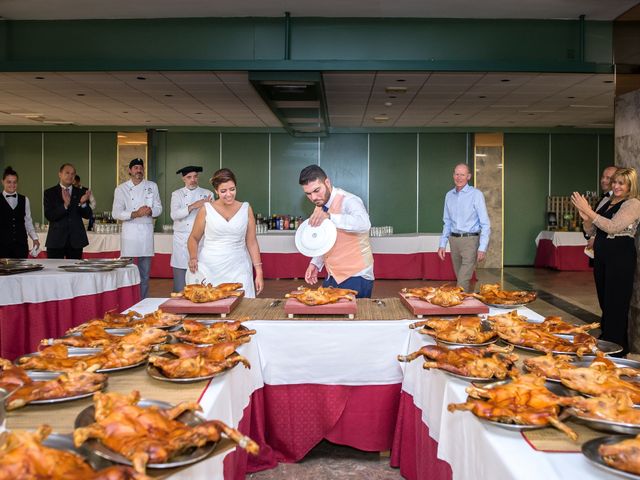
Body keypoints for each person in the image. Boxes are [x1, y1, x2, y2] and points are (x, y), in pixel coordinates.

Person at [571, 167, 640, 355]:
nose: (616, 186)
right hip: (603, 257)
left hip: (620, 259)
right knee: (605, 302)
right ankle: (608, 340)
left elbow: (613, 227)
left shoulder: (633, 203)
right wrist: (585, 217)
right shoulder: (608, 201)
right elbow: (592, 231)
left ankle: (616, 347)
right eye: (614, 182)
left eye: (621, 183)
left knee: (616, 303)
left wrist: (589, 211)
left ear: (630, 185)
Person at [298, 165, 374, 298]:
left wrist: (331, 217)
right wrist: (315, 263)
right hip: (332, 275)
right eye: (308, 194)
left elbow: (364, 223)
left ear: (327, 182)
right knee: (329, 317)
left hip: (356, 276)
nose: (314, 197)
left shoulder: (350, 200)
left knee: (356, 318)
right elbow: (326, 239)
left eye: (317, 190)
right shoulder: (320, 205)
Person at [187, 168, 263, 297]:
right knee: (212, 306)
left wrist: (259, 271)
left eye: (232, 189)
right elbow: (193, 238)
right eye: (223, 191)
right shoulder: (206, 209)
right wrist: (193, 257)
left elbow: (251, 242)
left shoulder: (246, 208)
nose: (229, 194)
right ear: (216, 191)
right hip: (211, 267)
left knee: (243, 305)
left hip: (239, 267)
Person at [112, 158, 162, 298]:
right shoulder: (121, 189)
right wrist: (135, 213)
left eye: (140, 167)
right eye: (135, 168)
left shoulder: (152, 186)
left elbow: (159, 208)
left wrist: (150, 211)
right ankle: (127, 300)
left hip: (146, 233)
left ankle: (143, 300)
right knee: (127, 272)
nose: (138, 170)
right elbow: (116, 213)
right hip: (129, 234)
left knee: (144, 274)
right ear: (130, 170)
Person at [437, 163, 491, 292]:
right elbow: (447, 222)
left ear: (469, 176)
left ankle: (460, 309)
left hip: (470, 241)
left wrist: (482, 247)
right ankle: (468, 305)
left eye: (462, 174)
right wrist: (442, 244)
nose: (459, 177)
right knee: (460, 278)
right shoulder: (449, 195)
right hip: (454, 241)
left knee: (462, 281)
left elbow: (485, 223)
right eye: (456, 174)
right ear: (453, 175)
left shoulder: (476, 195)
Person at [170, 165, 212, 293]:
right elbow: (174, 215)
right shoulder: (177, 194)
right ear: (183, 179)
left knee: (201, 281)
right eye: (189, 177)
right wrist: (193, 206)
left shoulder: (207, 194)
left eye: (195, 177)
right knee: (180, 286)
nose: (193, 180)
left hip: (201, 241)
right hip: (181, 242)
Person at [43, 163, 93, 259]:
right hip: (56, 240)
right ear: (60, 174)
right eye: (67, 173)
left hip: (76, 240)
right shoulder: (49, 193)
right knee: (55, 271)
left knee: (75, 272)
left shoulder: (81, 192)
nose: (70, 176)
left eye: (73, 174)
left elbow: (88, 215)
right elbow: (50, 215)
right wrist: (65, 205)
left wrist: (83, 203)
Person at [0, 166, 40, 258]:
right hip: (2, 246)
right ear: (2, 182)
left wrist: (35, 238)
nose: (12, 185)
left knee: (22, 271)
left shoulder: (25, 199)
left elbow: (28, 222)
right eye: (9, 182)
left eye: (15, 182)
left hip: (20, 246)